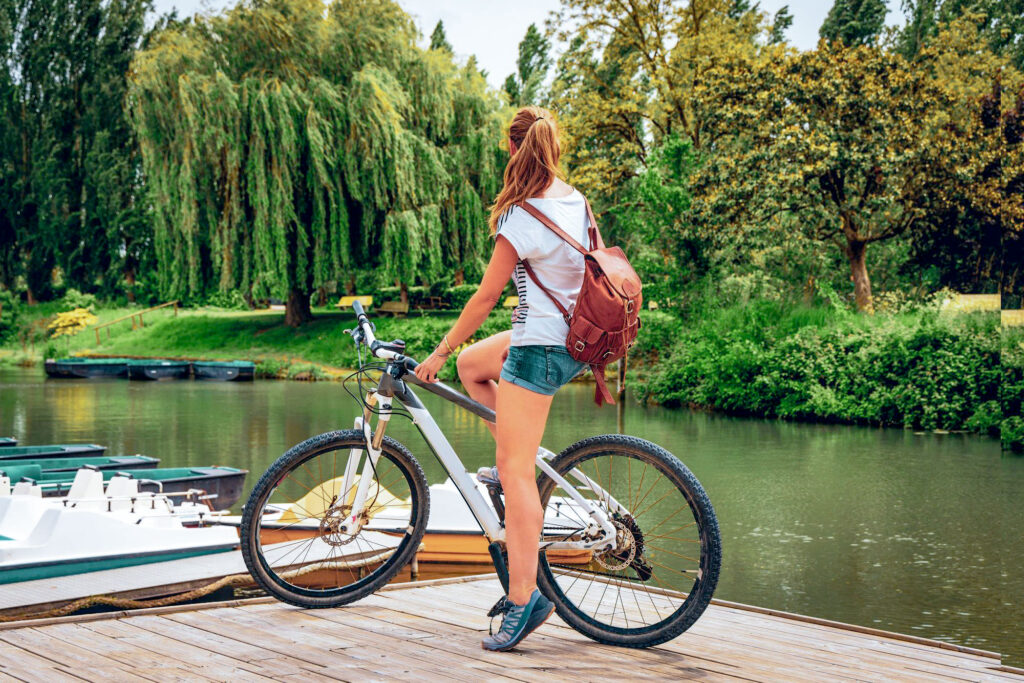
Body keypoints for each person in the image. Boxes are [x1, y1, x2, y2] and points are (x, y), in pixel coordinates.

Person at [413, 105, 592, 651]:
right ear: (551, 148)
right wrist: (459, 356)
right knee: (475, 367)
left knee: (516, 482)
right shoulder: (575, 200)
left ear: (514, 150)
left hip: (539, 347)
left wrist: (440, 350)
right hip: (573, 335)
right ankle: (514, 451)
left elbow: (487, 296)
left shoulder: (521, 216)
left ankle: (523, 601)